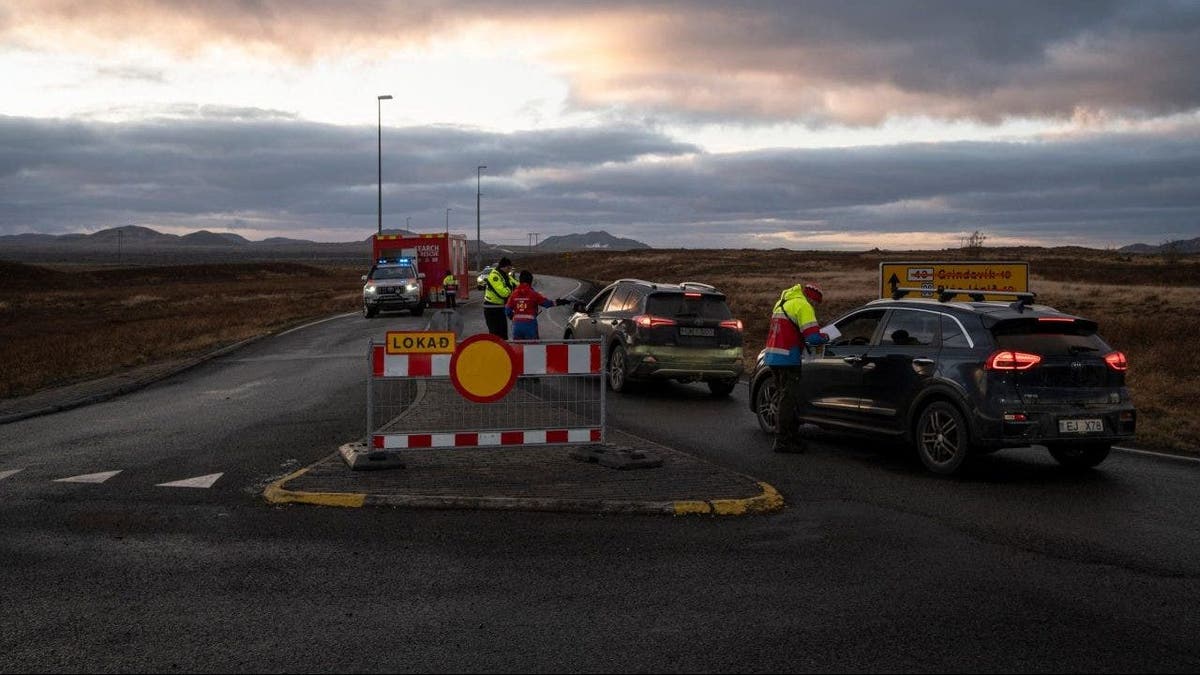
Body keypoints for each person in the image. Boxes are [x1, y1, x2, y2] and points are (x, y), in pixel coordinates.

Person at [763, 282, 828, 453]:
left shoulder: (783, 302)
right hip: (788, 359)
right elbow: (813, 337)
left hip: (772, 356)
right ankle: (783, 440)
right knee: (788, 399)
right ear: (812, 298)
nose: (814, 307)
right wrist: (826, 336)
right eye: (815, 303)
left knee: (783, 396)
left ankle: (790, 437)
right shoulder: (803, 306)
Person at [504, 270, 564, 340]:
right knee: (532, 349)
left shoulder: (514, 294)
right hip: (530, 326)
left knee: (518, 348)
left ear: (520, 281)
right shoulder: (533, 294)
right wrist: (559, 302)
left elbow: (507, 310)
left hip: (517, 326)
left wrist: (513, 317)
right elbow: (547, 303)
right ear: (530, 282)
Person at [482, 257, 516, 339]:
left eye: (510, 268)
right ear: (503, 267)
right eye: (508, 268)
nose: (509, 270)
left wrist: (525, 289)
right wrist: (513, 291)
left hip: (500, 307)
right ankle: (495, 351)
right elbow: (503, 293)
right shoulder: (494, 276)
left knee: (503, 334)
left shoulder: (505, 275)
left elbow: (516, 284)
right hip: (491, 308)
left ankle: (503, 350)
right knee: (495, 334)